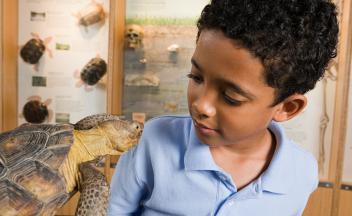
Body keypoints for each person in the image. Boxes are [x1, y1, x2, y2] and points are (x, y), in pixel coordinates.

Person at [108, 0, 338, 215]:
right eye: (196, 77)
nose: (201, 105)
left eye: (231, 97)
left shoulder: (302, 172)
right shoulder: (152, 141)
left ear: (287, 107)